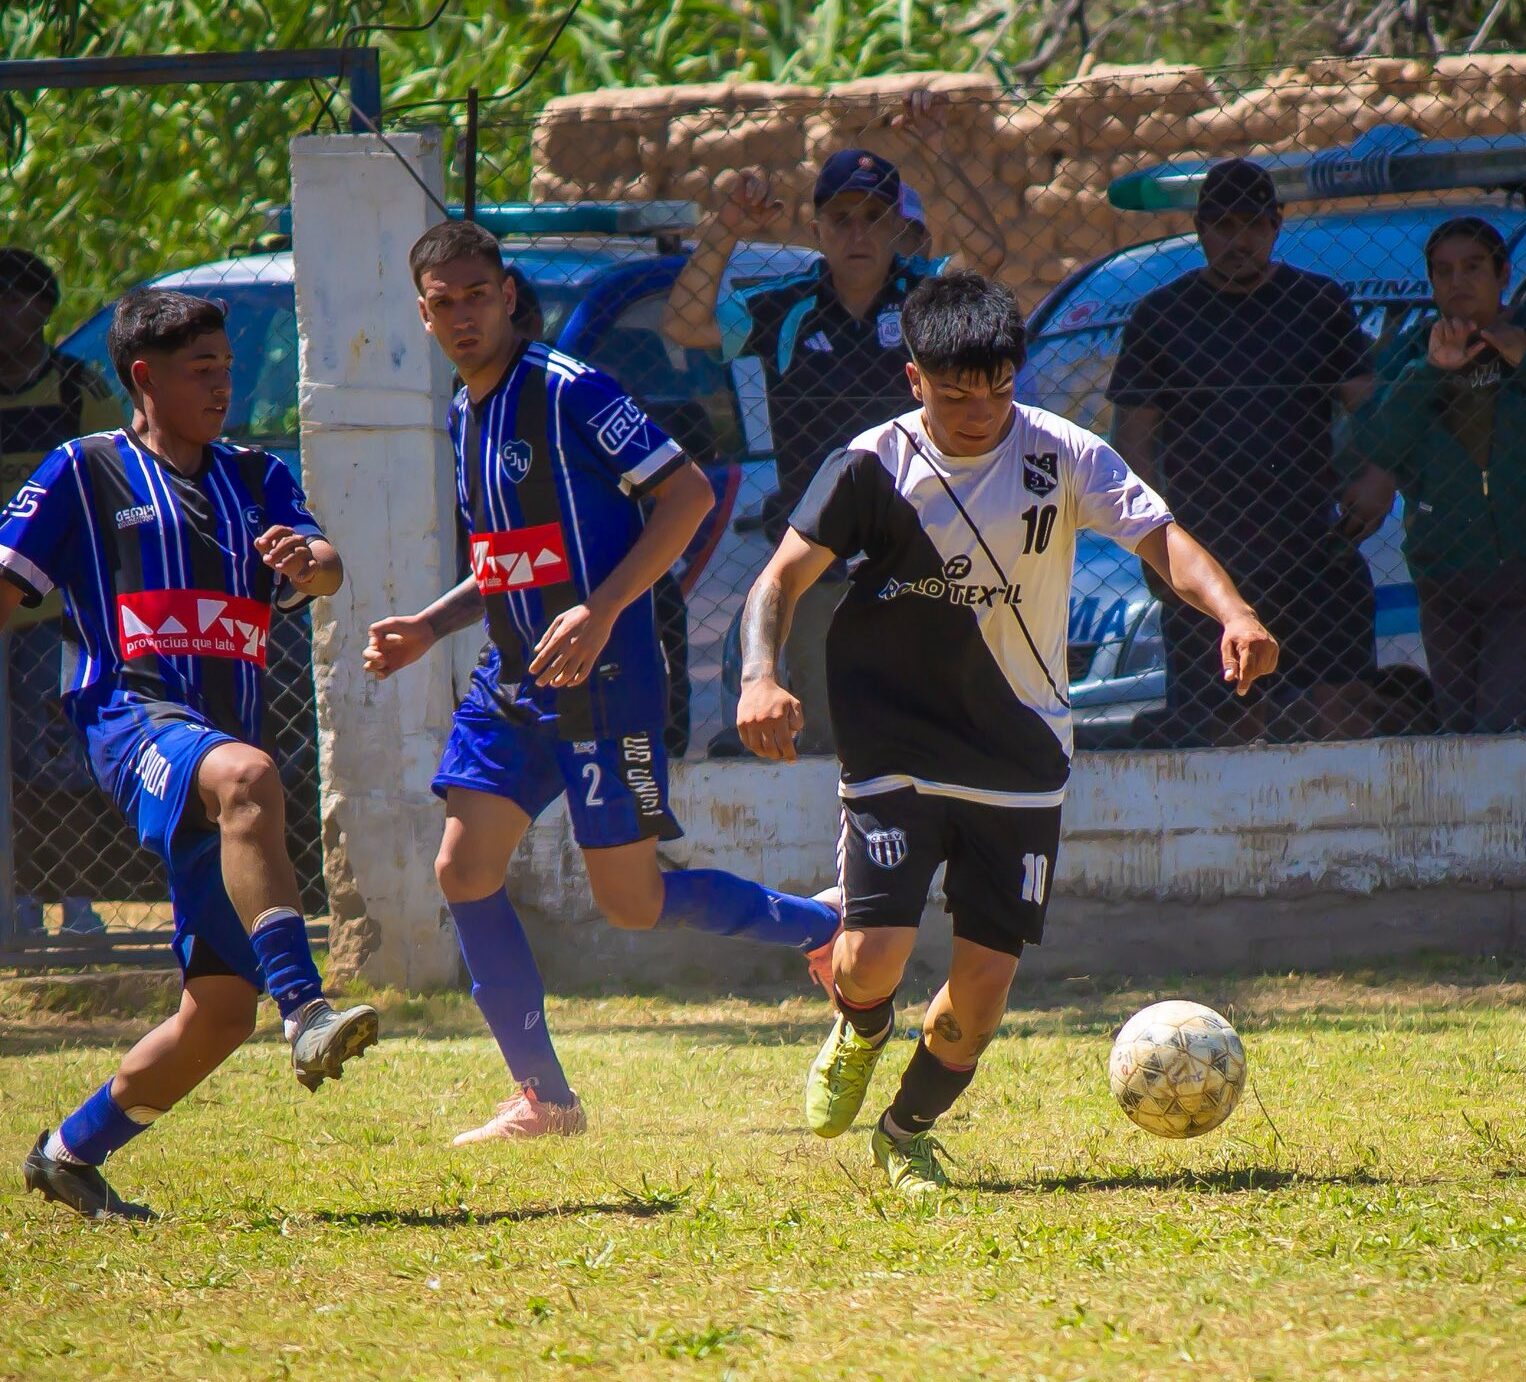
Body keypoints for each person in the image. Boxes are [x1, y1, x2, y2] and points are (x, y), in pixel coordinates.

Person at [735, 273, 1277, 1196]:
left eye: (998, 388)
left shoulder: (1064, 453)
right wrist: (759, 676)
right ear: (916, 380)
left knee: (982, 993)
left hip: (1020, 752)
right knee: (873, 962)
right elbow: (779, 580)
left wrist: (1234, 612)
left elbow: (1164, 542)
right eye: (956, 393)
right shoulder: (873, 463)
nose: (981, 411)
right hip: (894, 740)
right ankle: (862, 1024)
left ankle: (904, 1134)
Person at [363, 221, 840, 1145]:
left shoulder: (569, 390)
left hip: (605, 680)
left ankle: (817, 927)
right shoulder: (465, 412)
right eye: (444, 303)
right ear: (424, 316)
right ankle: (543, 1097)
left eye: (477, 295)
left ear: (506, 295)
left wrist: (603, 610)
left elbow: (688, 495)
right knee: (463, 868)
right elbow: (511, 562)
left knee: (632, 902)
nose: (463, 316)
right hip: (513, 681)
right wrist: (430, 624)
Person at [10, 289, 379, 1220]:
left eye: (226, 367)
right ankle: (308, 1010)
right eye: (200, 370)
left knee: (216, 1014)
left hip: (218, 749)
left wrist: (311, 560)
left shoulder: (254, 475)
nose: (223, 384)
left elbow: (330, 569)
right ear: (144, 377)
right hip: (133, 720)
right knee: (252, 777)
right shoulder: (82, 470)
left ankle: (66, 1154)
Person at [665, 89, 1007, 753]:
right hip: (819, 565)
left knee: (931, 735)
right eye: (842, 218)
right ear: (817, 228)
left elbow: (986, 256)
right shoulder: (784, 308)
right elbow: (683, 322)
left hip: (922, 554)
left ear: (894, 227)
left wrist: (935, 154)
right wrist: (727, 225)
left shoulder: (923, 299)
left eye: (874, 218)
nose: (858, 234)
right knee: (831, 745)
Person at [1108, 158, 1391, 746]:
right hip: (1207, 558)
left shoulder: (1317, 304)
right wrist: (1148, 538)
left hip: (1311, 545)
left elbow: (1370, 407)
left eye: (1254, 225)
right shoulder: (1161, 317)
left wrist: (1380, 475)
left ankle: (1346, 823)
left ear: (1276, 225)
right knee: (1225, 731)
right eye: (1224, 226)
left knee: (1342, 714)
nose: (1240, 240)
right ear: (1201, 228)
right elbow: (1133, 440)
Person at [1346, 216, 1526, 733]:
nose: (1458, 282)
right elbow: (1376, 439)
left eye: (1473, 267)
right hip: (1446, 578)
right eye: (1443, 272)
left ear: (1503, 273)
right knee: (1461, 740)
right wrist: (1429, 373)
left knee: (1512, 726)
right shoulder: (1415, 349)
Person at [0, 248, 125, 936]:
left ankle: (74, 897)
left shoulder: (77, 389)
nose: (3, 317)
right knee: (11, 765)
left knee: (61, 762)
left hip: (52, 614)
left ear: (42, 310)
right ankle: (15, 898)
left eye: (15, 300)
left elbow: (108, 488)